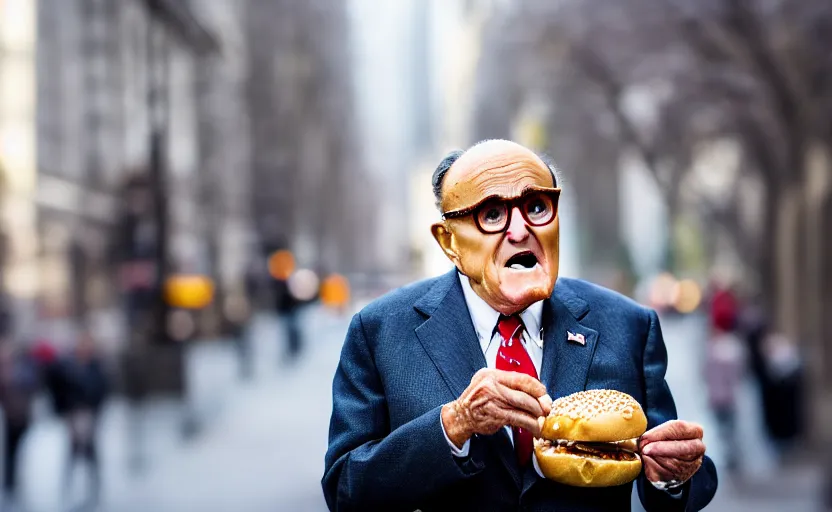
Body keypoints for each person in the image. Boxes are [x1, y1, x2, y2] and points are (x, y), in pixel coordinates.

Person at [323, 140, 718, 511]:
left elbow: (677, 477)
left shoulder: (629, 325)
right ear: (449, 242)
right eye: (491, 214)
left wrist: (672, 477)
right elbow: (346, 490)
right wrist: (455, 424)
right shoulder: (379, 332)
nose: (519, 230)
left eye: (536, 207)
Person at [59, 332, 110, 506]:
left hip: (90, 415)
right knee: (73, 453)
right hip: (74, 416)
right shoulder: (70, 366)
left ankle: (93, 489)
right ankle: (71, 489)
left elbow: (101, 390)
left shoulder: (96, 367)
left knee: (91, 454)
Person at [0, 342, 37, 506]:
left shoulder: (23, 371)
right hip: (11, 416)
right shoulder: (7, 372)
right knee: (11, 451)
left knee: (16, 450)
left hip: (20, 416)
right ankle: (10, 481)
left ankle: (12, 479)